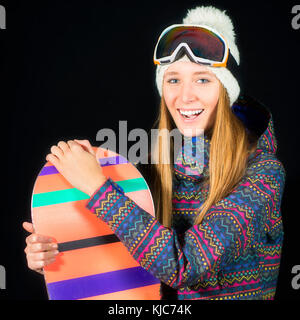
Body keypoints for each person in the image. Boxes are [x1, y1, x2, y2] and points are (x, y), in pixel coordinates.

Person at [23, 6, 286, 300]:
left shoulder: (263, 175)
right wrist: (59, 255)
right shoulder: (157, 166)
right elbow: (133, 253)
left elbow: (186, 266)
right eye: (173, 79)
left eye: (202, 79)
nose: (185, 96)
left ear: (226, 91)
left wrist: (97, 187)